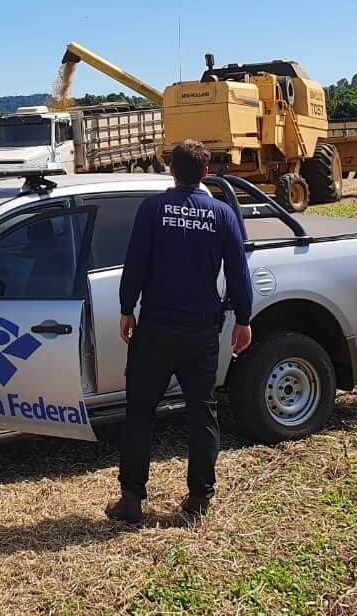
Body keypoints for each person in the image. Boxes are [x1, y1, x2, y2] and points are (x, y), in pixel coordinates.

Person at [105, 139, 253, 523]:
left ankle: (131, 499)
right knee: (202, 412)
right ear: (206, 172)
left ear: (171, 170)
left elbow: (135, 262)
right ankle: (199, 498)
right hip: (201, 332)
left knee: (140, 412)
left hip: (155, 328)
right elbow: (239, 272)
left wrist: (126, 308)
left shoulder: (153, 209)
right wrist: (244, 318)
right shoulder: (222, 214)